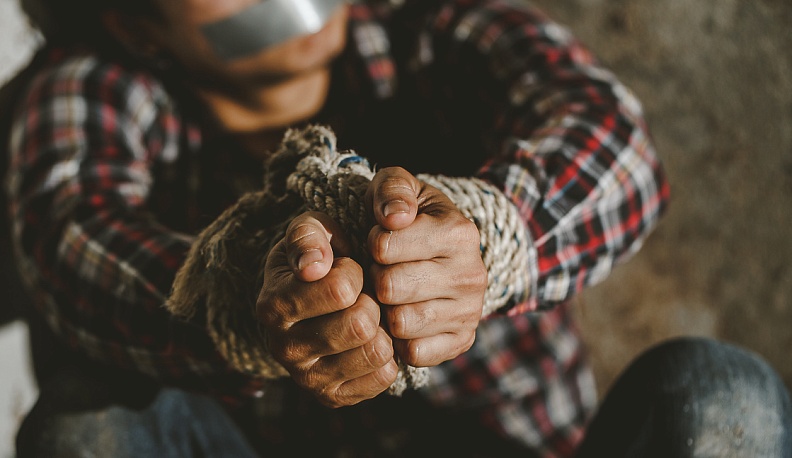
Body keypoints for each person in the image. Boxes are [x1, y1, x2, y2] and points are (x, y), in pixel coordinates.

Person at [3, 0, 790, 456]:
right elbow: (70, 237)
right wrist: (247, 303)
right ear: (135, 24)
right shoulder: (94, 87)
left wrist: (489, 237)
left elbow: (609, 136)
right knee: (90, 426)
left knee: (725, 395)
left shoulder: (431, 30)